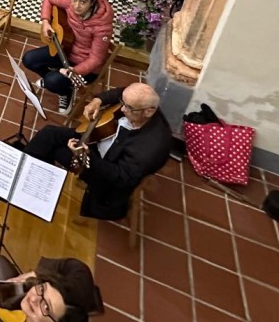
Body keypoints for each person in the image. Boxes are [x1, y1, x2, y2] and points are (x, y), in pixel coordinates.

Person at [25, 83, 173, 220]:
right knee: (49, 133)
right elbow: (120, 92)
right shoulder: (140, 103)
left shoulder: (151, 148)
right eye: (123, 103)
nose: (122, 109)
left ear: (148, 112)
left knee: (55, 150)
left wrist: (86, 155)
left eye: (128, 107)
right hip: (99, 137)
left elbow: (119, 177)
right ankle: (25, 170)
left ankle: (33, 185)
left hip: (104, 168)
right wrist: (97, 101)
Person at [22, 0, 114, 114]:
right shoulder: (70, 4)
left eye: (82, 2)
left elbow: (96, 59)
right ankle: (56, 81)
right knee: (28, 59)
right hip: (65, 50)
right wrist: (46, 22)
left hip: (84, 66)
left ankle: (65, 92)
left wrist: (74, 70)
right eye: (74, 0)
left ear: (92, 2)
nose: (76, 6)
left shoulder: (103, 27)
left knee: (51, 81)